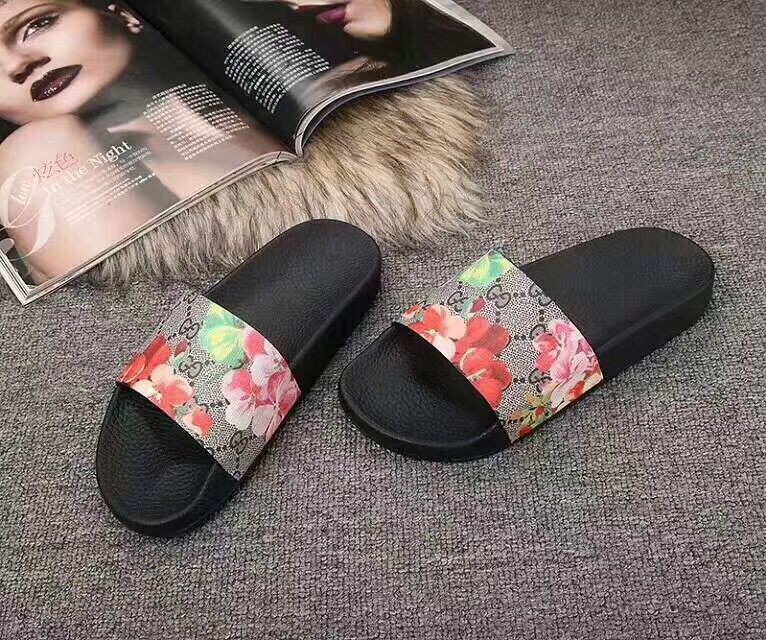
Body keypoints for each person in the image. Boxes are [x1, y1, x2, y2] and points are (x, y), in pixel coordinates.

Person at [0, 0, 281, 284]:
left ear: (126, 16)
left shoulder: (251, 91)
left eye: (37, 25)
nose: (16, 65)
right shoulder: (34, 152)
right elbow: (134, 301)